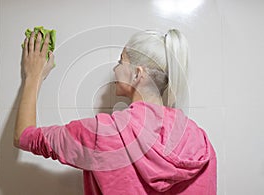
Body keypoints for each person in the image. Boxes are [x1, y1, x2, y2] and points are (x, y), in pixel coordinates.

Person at [14, 29, 217, 195]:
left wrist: (33, 75)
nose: (115, 69)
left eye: (121, 62)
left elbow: (23, 136)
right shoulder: (201, 143)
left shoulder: (101, 133)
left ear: (137, 74)